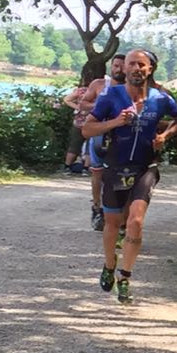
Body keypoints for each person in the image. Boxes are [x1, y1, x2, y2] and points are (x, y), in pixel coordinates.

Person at [81, 47, 177, 303]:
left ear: (150, 69)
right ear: (124, 68)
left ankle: (125, 277)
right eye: (132, 64)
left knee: (136, 222)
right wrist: (115, 122)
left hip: (144, 168)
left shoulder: (160, 99)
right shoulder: (110, 96)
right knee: (112, 224)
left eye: (142, 64)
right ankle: (108, 265)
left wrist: (164, 136)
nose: (136, 69)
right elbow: (87, 129)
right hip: (114, 167)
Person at [64, 53, 125, 229]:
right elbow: (83, 104)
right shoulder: (99, 85)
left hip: (122, 137)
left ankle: (118, 213)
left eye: (122, 66)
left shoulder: (132, 88)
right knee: (97, 173)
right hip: (99, 134)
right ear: (111, 67)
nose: (119, 69)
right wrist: (103, 105)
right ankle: (97, 208)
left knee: (121, 174)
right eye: (116, 65)